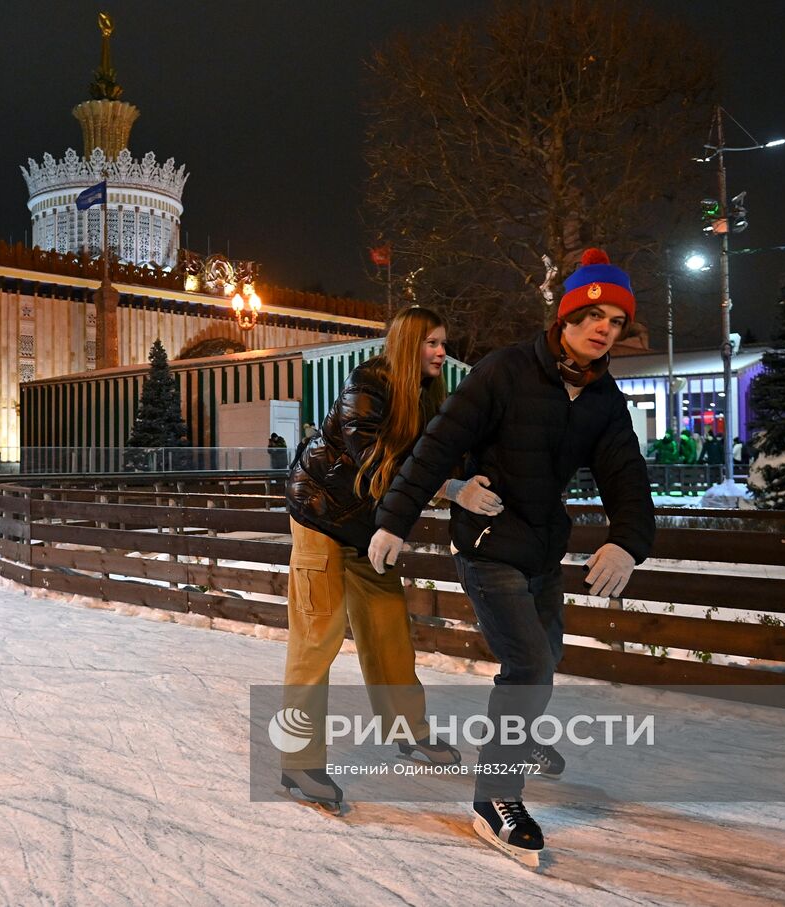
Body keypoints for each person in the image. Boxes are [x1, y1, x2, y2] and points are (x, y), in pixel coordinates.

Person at [367, 248, 656, 867]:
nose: (604, 328)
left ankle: (513, 741)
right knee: (529, 665)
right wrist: (396, 519)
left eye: (616, 320)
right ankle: (495, 799)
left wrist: (628, 539)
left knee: (545, 657)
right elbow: (438, 446)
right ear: (567, 317)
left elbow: (626, 476)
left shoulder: (604, 400)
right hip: (488, 541)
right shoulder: (504, 371)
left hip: (543, 549)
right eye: (593, 315)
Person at [280, 305, 502, 813]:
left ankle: (409, 730)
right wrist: (450, 488)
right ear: (407, 345)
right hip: (320, 516)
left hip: (370, 530)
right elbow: (376, 456)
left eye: (444, 343)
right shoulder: (368, 386)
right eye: (432, 344)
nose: (442, 353)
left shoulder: (430, 397)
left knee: (388, 630)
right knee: (319, 635)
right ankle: (298, 761)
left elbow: (449, 453)